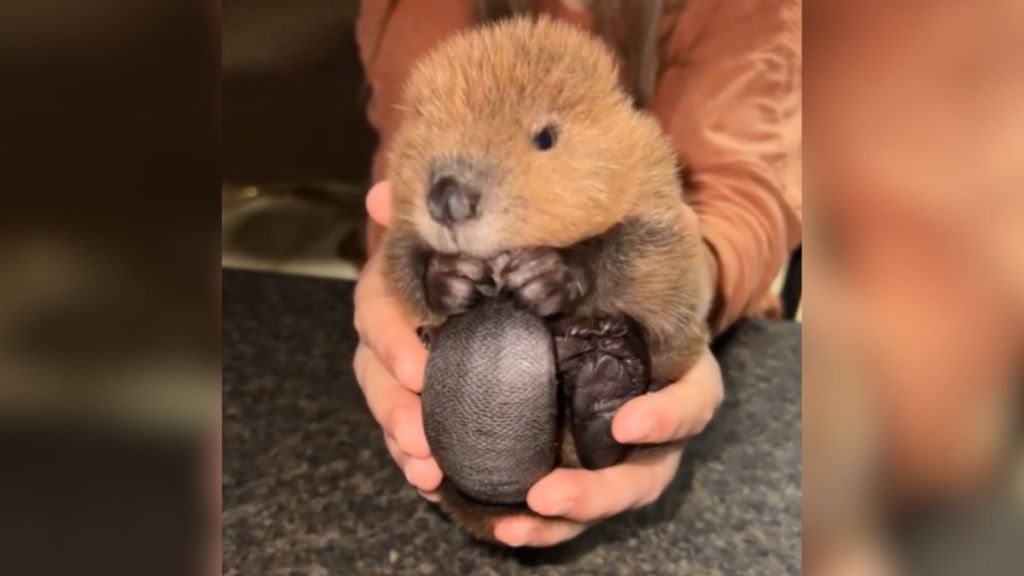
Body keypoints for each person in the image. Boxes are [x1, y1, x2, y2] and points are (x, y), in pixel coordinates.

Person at [351, 0, 802, 548]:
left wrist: (588, 275)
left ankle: (596, 401)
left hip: (615, 332)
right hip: (474, 379)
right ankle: (482, 464)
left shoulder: (629, 169)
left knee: (640, 311)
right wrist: (419, 279)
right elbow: (400, 179)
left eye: (541, 140)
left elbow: (743, 188)